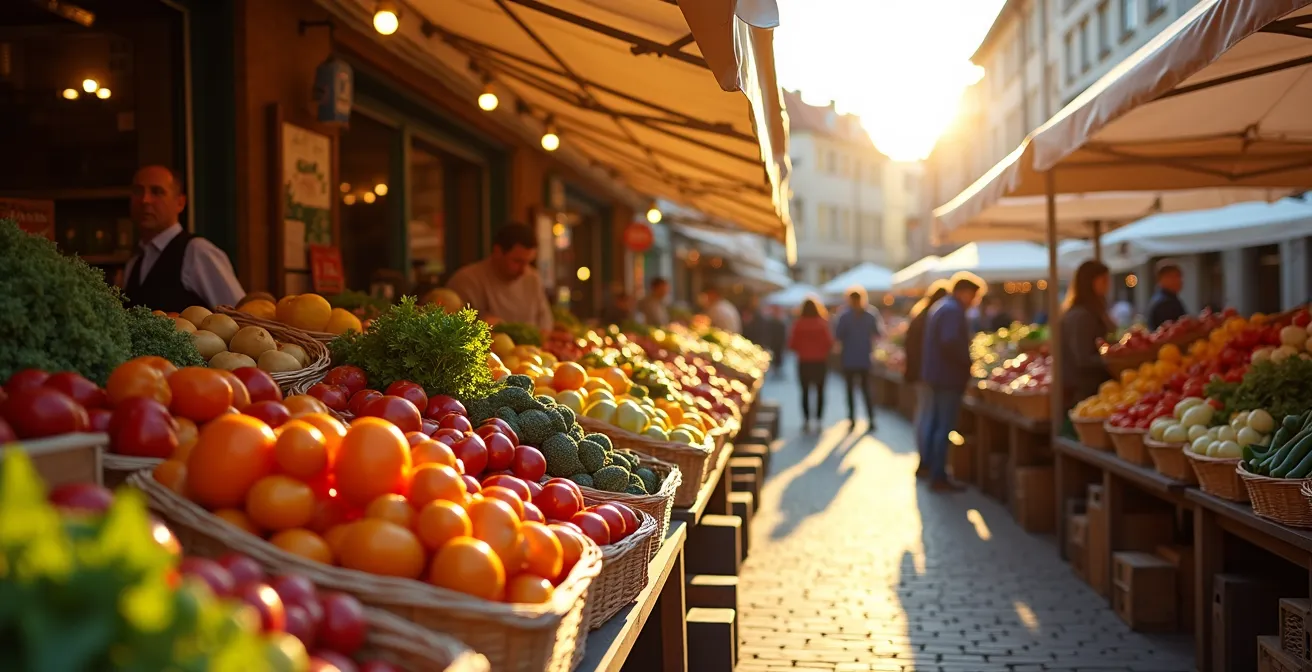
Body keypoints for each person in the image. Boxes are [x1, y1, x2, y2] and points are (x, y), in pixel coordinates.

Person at [121, 165, 245, 312]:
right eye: (138, 191)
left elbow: (240, 317)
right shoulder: (134, 262)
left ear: (180, 202)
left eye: (157, 192)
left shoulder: (197, 252)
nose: (145, 200)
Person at [921, 273, 983, 492]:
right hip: (947, 376)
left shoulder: (942, 306)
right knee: (943, 426)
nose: (975, 301)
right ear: (965, 292)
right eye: (974, 296)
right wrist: (966, 362)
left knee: (935, 423)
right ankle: (938, 475)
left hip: (937, 375)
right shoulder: (952, 310)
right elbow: (949, 341)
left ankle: (930, 468)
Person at [445, 222, 553, 332]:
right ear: (497, 251)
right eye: (517, 261)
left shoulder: (533, 279)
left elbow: (545, 321)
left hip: (532, 349)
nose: (523, 270)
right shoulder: (466, 281)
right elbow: (451, 331)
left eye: (528, 262)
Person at [906, 280, 950, 479]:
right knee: (929, 415)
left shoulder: (920, 315)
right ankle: (927, 459)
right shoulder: (933, 317)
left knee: (923, 414)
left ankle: (924, 458)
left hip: (918, 372)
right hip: (928, 373)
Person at [1060, 260, 1116, 411]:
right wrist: (1113, 360)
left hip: (1089, 387)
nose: (1108, 284)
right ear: (1090, 282)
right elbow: (1083, 357)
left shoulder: (1090, 311)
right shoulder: (1081, 315)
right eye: (1104, 280)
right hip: (1086, 390)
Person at [834, 288, 882, 431]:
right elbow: (878, 333)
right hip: (864, 358)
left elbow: (838, 335)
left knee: (850, 391)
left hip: (849, 358)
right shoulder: (870, 314)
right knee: (866, 390)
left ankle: (852, 419)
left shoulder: (845, 315)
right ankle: (870, 418)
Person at [788, 298, 835, 433]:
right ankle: (819, 420)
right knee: (820, 391)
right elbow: (829, 343)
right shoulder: (822, 324)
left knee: (805, 391)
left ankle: (806, 420)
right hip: (820, 362)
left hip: (804, 362)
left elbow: (792, 345)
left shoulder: (798, 324)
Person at [1147, 259, 1187, 330]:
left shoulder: (1167, 298)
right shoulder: (1165, 303)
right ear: (1163, 278)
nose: (1180, 281)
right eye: (1175, 276)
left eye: (1180, 277)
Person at [765, 305, 788, 378]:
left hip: (778, 343)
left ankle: (777, 371)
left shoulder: (779, 322)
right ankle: (776, 371)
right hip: (774, 342)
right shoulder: (772, 322)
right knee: (775, 357)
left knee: (778, 357)